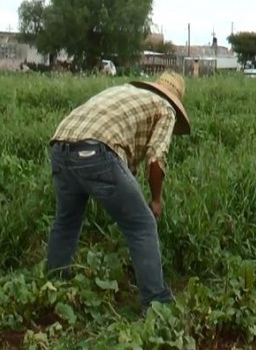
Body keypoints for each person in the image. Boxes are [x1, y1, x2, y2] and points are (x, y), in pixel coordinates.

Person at [45, 71, 191, 311]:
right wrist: (155, 200)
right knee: (142, 224)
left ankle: (53, 290)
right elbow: (156, 159)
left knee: (66, 222)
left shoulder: (125, 91)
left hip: (60, 147)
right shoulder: (166, 109)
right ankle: (156, 304)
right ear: (174, 100)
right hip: (98, 151)